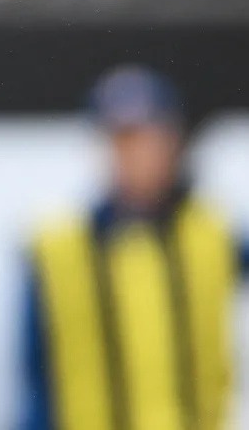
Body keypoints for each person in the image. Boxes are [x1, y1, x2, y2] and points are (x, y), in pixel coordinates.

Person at [20, 64, 249, 430]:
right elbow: (35, 378)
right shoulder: (59, 248)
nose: (138, 155)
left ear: (174, 143)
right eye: (123, 141)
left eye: (149, 138)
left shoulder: (212, 233)